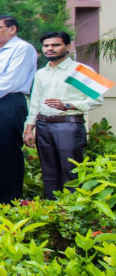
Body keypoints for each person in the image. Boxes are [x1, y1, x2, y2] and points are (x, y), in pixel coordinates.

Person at [24, 31, 102, 200]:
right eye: (46, 46)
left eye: (55, 45)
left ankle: (74, 210)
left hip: (68, 125)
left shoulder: (79, 70)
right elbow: (35, 103)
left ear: (67, 47)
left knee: (71, 170)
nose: (49, 49)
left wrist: (67, 105)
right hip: (43, 125)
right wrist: (29, 129)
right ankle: (52, 210)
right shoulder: (41, 73)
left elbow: (97, 99)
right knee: (49, 171)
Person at [0, 15, 38, 205]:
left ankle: (8, 201)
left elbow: (9, 82)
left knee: (5, 152)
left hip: (7, 102)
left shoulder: (23, 48)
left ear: (12, 29)